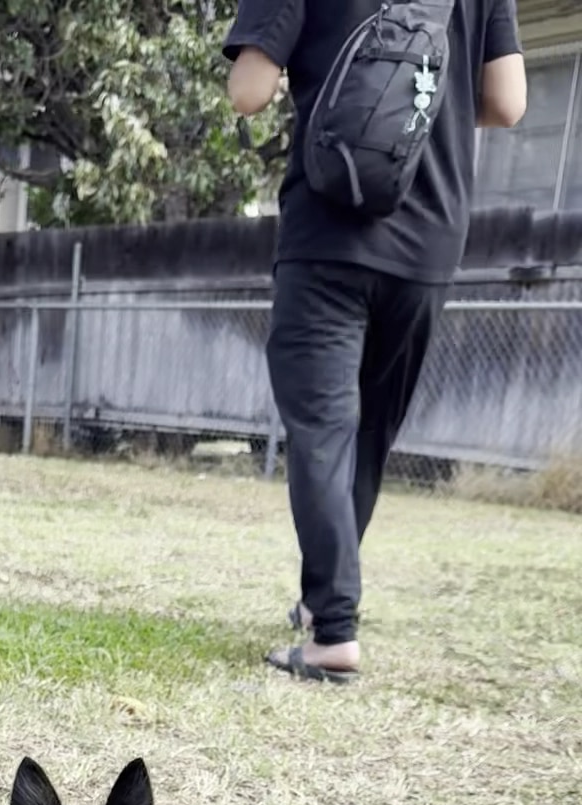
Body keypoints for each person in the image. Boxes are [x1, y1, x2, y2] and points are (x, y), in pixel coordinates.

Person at [225, 1, 527, 683]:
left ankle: (334, 633)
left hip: (329, 230)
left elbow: (249, 92)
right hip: (430, 240)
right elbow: (507, 103)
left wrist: (351, 99)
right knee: (366, 438)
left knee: (323, 432)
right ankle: (318, 603)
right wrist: (418, 108)